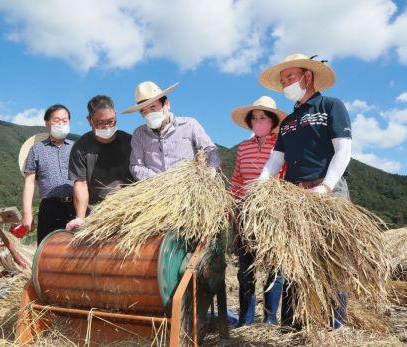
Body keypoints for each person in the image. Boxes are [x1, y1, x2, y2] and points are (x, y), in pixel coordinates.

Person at [258, 53, 352, 329]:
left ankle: (335, 325)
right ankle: (295, 324)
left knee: (333, 259)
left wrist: (326, 186)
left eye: (291, 77)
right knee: (295, 261)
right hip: (295, 195)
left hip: (329, 191)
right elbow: (276, 160)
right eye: (283, 79)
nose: (286, 83)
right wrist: (259, 186)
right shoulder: (287, 122)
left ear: (307, 77)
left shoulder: (331, 106)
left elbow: (343, 149)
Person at [229, 96, 286, 326]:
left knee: (274, 268)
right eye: (254, 118)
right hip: (245, 213)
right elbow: (237, 179)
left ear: (272, 121)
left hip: (272, 214)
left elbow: (284, 177)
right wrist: (230, 202)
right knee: (246, 269)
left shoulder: (281, 146)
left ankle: (270, 320)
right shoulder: (243, 148)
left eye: (263, 117)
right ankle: (246, 320)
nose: (258, 121)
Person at [122, 81, 220, 179]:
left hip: (189, 185)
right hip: (155, 189)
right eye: (143, 111)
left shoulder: (190, 125)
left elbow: (210, 150)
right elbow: (136, 166)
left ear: (167, 104)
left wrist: (211, 168)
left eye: (153, 107)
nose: (149, 114)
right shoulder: (139, 134)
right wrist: (159, 181)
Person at [66, 95, 134, 229]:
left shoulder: (130, 141)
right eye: (99, 123)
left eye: (110, 121)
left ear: (115, 114)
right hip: (97, 212)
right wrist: (80, 218)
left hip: (130, 207)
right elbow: (81, 183)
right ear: (89, 120)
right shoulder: (81, 147)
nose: (106, 127)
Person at [22, 104, 76, 244]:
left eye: (65, 121)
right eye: (57, 120)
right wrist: (27, 214)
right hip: (49, 208)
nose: (61, 124)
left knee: (77, 252)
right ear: (47, 123)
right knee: (47, 251)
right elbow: (29, 182)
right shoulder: (37, 149)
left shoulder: (76, 147)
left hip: (75, 206)